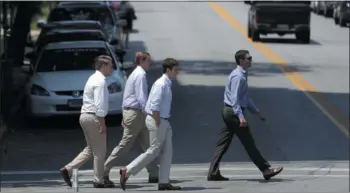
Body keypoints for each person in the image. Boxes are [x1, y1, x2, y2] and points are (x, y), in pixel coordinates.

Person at [207, 50, 283, 181]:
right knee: (248, 142)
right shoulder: (238, 77)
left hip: (229, 111)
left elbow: (245, 98)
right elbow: (235, 99)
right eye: (249, 58)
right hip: (233, 112)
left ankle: (213, 172)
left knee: (223, 144)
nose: (251, 60)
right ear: (241, 60)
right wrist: (241, 117)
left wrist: (256, 112)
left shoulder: (242, 74)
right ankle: (265, 169)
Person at [119, 58, 181, 191]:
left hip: (164, 120)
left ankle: (164, 181)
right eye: (176, 70)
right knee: (154, 150)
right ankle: (127, 170)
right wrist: (158, 123)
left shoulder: (167, 83)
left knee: (167, 151)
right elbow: (154, 106)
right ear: (168, 70)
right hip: (157, 120)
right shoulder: (161, 84)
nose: (178, 73)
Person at [103, 52, 159, 186]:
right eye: (148, 61)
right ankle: (104, 170)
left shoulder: (134, 74)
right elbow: (141, 98)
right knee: (125, 144)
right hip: (136, 113)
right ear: (142, 61)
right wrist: (150, 114)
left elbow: (126, 96)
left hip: (133, 113)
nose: (149, 63)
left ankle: (154, 173)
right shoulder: (140, 75)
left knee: (148, 145)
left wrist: (124, 114)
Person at [60, 55, 114, 188]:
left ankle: (68, 169)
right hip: (93, 117)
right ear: (103, 66)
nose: (112, 68)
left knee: (91, 149)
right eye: (110, 65)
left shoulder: (92, 78)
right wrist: (102, 123)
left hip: (85, 116)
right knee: (100, 151)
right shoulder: (100, 82)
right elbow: (99, 105)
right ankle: (98, 180)